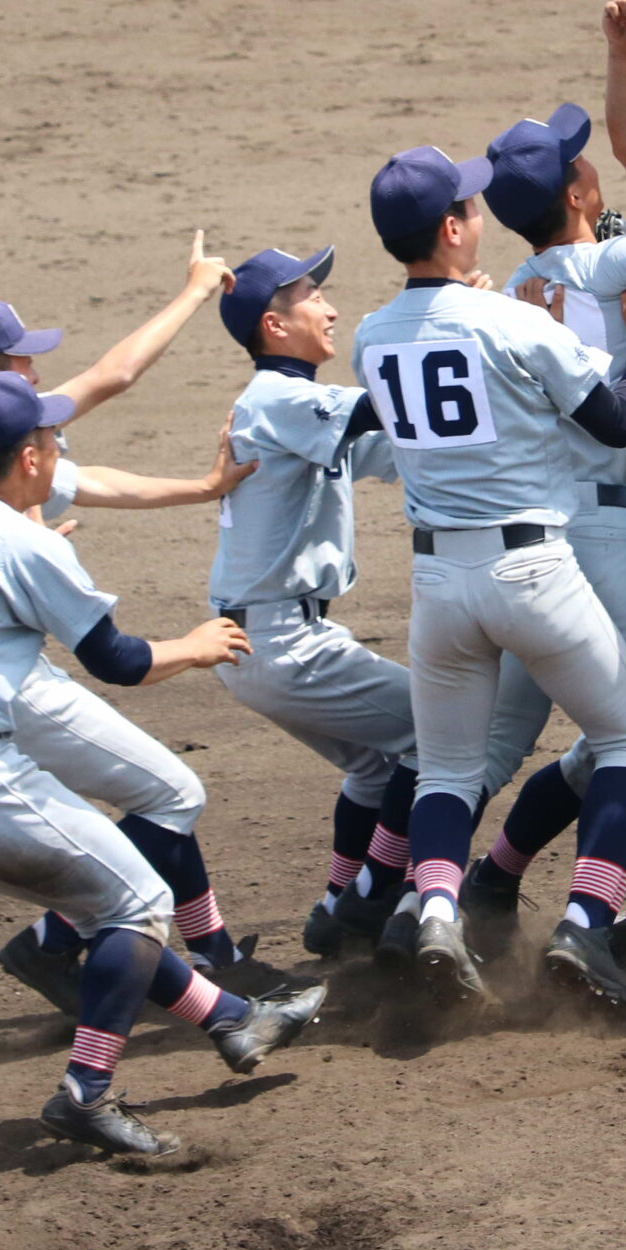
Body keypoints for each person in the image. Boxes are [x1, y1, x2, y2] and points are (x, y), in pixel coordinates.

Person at [0, 373, 323, 1158]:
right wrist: (196, 644)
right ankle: (88, 1091)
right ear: (28, 457)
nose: (57, 447)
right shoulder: (18, 539)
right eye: (50, 439)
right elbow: (116, 660)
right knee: (139, 902)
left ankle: (236, 1019)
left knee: (105, 903)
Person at [350, 143, 626, 1014]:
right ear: (452, 228)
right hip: (533, 570)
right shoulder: (519, 322)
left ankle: (437, 910)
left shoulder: (368, 336)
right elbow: (616, 423)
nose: (481, 217)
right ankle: (586, 919)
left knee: (451, 773)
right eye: (470, 207)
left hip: (437, 585)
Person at [0, 234, 276, 1008]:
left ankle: (207, 947)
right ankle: (62, 942)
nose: (35, 371)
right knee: (167, 793)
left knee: (164, 790)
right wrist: (194, 290)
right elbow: (117, 373)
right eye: (21, 360)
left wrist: (200, 486)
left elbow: (93, 480)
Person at [458, 26, 626, 960]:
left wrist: (625, 63)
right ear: (580, 195)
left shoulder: (512, 294)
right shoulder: (606, 268)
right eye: (584, 163)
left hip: (532, 545)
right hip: (617, 538)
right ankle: (588, 923)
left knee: (495, 753)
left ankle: (425, 891)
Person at [206, 244, 422, 958]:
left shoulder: (292, 411)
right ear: (274, 325)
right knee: (443, 731)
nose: (330, 308)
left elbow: (402, 444)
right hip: (281, 642)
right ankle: (368, 898)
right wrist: (443, 329)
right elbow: (379, 407)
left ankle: (338, 900)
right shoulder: (282, 399)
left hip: (260, 639)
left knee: (373, 767)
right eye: (311, 298)